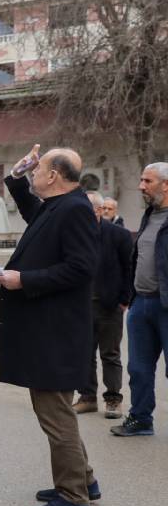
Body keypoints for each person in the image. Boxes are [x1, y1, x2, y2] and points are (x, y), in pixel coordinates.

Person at [0, 144, 100, 506]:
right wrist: (18, 176)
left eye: (38, 169)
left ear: (54, 176)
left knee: (55, 414)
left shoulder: (75, 211)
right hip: (51, 331)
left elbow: (81, 268)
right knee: (56, 411)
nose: (34, 171)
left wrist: (25, 280)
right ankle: (84, 481)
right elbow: (32, 214)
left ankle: (73, 498)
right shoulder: (58, 207)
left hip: (57, 333)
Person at [111, 162, 168, 436]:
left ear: (165, 185)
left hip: (165, 305)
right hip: (141, 304)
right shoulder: (149, 216)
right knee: (139, 368)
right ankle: (141, 419)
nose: (141, 186)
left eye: (147, 181)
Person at [75, 192, 134, 418]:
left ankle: (112, 399)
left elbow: (129, 268)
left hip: (109, 306)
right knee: (84, 353)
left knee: (110, 354)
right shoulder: (76, 235)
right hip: (81, 306)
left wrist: (124, 300)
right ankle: (87, 397)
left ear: (98, 211)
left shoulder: (119, 235)